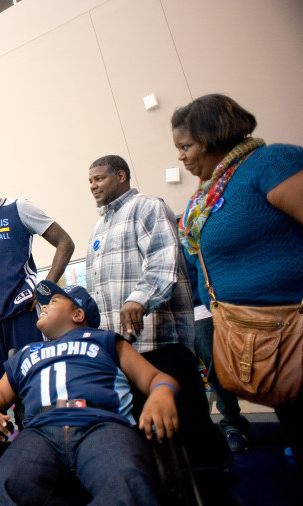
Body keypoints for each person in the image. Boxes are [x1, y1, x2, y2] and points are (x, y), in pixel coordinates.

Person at [172, 93, 303, 461]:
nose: (180, 156)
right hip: (264, 339)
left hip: (294, 327)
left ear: (214, 136)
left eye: (186, 146)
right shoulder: (208, 195)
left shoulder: (271, 162)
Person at [0, 280, 179, 505]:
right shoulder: (26, 353)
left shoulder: (105, 340)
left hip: (102, 425)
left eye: (53, 301)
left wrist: (162, 394)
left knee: (127, 484)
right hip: (40, 432)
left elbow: (156, 378)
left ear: (78, 314)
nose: (42, 307)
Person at [85, 155, 229, 469]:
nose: (93, 186)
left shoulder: (149, 207)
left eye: (99, 178)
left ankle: (213, 484)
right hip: (125, 352)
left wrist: (140, 299)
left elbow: (163, 260)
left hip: (161, 343)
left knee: (188, 427)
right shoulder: (99, 227)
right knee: (150, 435)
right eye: (91, 181)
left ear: (121, 175)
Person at [0, 165, 74, 392]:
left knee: (34, 380)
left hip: (21, 309)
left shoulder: (19, 208)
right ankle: (0, 428)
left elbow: (65, 243)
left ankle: (37, 426)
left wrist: (46, 287)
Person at [183, 247, 250, 452]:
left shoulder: (192, 234)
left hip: (215, 305)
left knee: (222, 366)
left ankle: (234, 422)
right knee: (201, 370)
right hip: (187, 313)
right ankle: (221, 424)